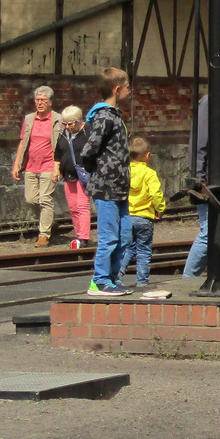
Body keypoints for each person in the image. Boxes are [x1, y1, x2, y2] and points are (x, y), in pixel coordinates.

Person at [79, 67, 133, 296]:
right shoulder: (104, 116)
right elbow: (89, 150)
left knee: (124, 236)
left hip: (119, 188)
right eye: (128, 86)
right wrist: (99, 172)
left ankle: (113, 277)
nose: (131, 91)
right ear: (117, 89)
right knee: (109, 237)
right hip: (106, 187)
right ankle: (99, 280)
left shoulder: (115, 115)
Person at [10, 85, 64, 248]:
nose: (39, 103)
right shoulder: (29, 119)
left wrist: (57, 167)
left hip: (49, 166)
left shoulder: (58, 120)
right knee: (31, 200)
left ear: (50, 102)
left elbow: (61, 146)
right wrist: (16, 164)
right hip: (31, 166)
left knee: (45, 199)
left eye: (43, 100)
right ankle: (50, 224)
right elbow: (23, 142)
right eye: (37, 100)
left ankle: (44, 234)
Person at [124, 137, 165, 288]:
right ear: (147, 155)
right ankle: (141, 282)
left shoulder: (124, 171)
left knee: (127, 248)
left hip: (127, 216)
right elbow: (155, 193)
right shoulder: (149, 173)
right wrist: (160, 209)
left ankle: (118, 275)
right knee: (144, 251)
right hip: (144, 217)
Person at [182, 93, 210, 278]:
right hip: (209, 179)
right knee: (209, 232)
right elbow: (200, 145)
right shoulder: (209, 103)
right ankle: (188, 279)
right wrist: (199, 178)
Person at [57, 106, 92, 249]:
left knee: (82, 206)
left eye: (69, 124)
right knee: (73, 208)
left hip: (84, 173)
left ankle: (84, 237)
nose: (66, 127)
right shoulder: (64, 134)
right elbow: (57, 153)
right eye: (64, 123)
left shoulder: (88, 132)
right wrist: (56, 169)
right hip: (68, 174)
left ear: (78, 121)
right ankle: (79, 236)